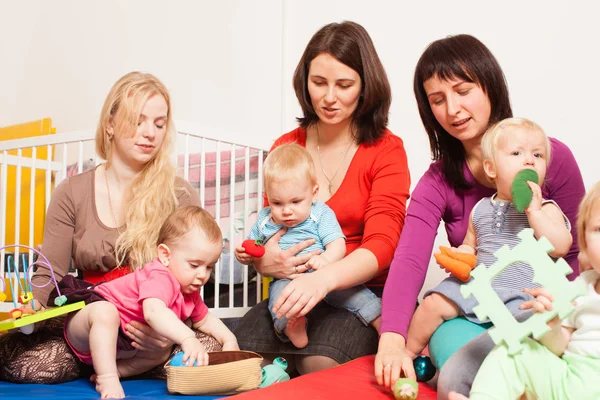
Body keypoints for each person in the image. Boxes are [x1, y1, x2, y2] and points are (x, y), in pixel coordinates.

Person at [375, 34, 585, 396]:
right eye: (437, 100)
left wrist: (567, 320)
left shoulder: (546, 156)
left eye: (463, 90)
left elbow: (576, 252)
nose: (452, 109)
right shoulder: (437, 180)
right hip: (473, 310)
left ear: (490, 86)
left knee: (526, 360)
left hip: (535, 308)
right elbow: (410, 258)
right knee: (452, 343)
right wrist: (392, 338)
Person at [0, 71, 221, 384]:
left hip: (157, 326)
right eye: (138, 120)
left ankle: (128, 365)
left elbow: (193, 276)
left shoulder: (179, 193)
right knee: (24, 365)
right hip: (92, 316)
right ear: (110, 124)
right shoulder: (72, 191)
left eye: (159, 124)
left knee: (208, 351)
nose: (150, 133)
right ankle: (105, 364)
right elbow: (48, 271)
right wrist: (31, 307)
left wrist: (166, 334)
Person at [233, 21, 410, 375]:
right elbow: (271, 227)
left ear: (365, 87)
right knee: (246, 361)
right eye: (319, 83)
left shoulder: (386, 150)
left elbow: (383, 242)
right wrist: (262, 261)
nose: (330, 98)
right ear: (305, 82)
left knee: (320, 363)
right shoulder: (285, 148)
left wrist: (324, 278)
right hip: (292, 288)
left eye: (344, 85)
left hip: (361, 292)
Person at [406, 118, 572, 359]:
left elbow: (561, 246)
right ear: (491, 168)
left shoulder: (546, 209)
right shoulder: (481, 209)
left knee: (542, 327)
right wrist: (462, 255)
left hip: (523, 297)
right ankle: (408, 354)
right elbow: (470, 245)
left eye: (538, 155)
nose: (529, 160)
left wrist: (534, 212)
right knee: (434, 301)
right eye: (516, 153)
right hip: (482, 290)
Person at [53, 206, 238, 398]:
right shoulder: (160, 276)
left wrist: (229, 339)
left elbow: (206, 319)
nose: (202, 275)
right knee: (106, 313)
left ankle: (119, 370)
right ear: (165, 255)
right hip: (87, 326)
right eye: (194, 265)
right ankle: (107, 378)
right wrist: (187, 338)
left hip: (119, 346)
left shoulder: (190, 291)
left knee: (161, 353)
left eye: (209, 267)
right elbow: (153, 312)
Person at [449, 182, 600, 400]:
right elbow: (561, 348)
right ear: (585, 240)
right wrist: (552, 327)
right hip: (570, 383)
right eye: (599, 229)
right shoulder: (581, 287)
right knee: (516, 350)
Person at [235, 143, 382, 349]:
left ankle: (380, 320)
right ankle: (292, 326)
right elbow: (256, 244)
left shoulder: (320, 213)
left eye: (296, 202)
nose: (286, 211)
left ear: (313, 193)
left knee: (355, 293)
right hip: (287, 280)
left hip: (323, 275)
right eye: (277, 203)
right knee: (279, 302)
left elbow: (338, 244)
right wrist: (246, 254)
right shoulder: (265, 219)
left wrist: (326, 260)